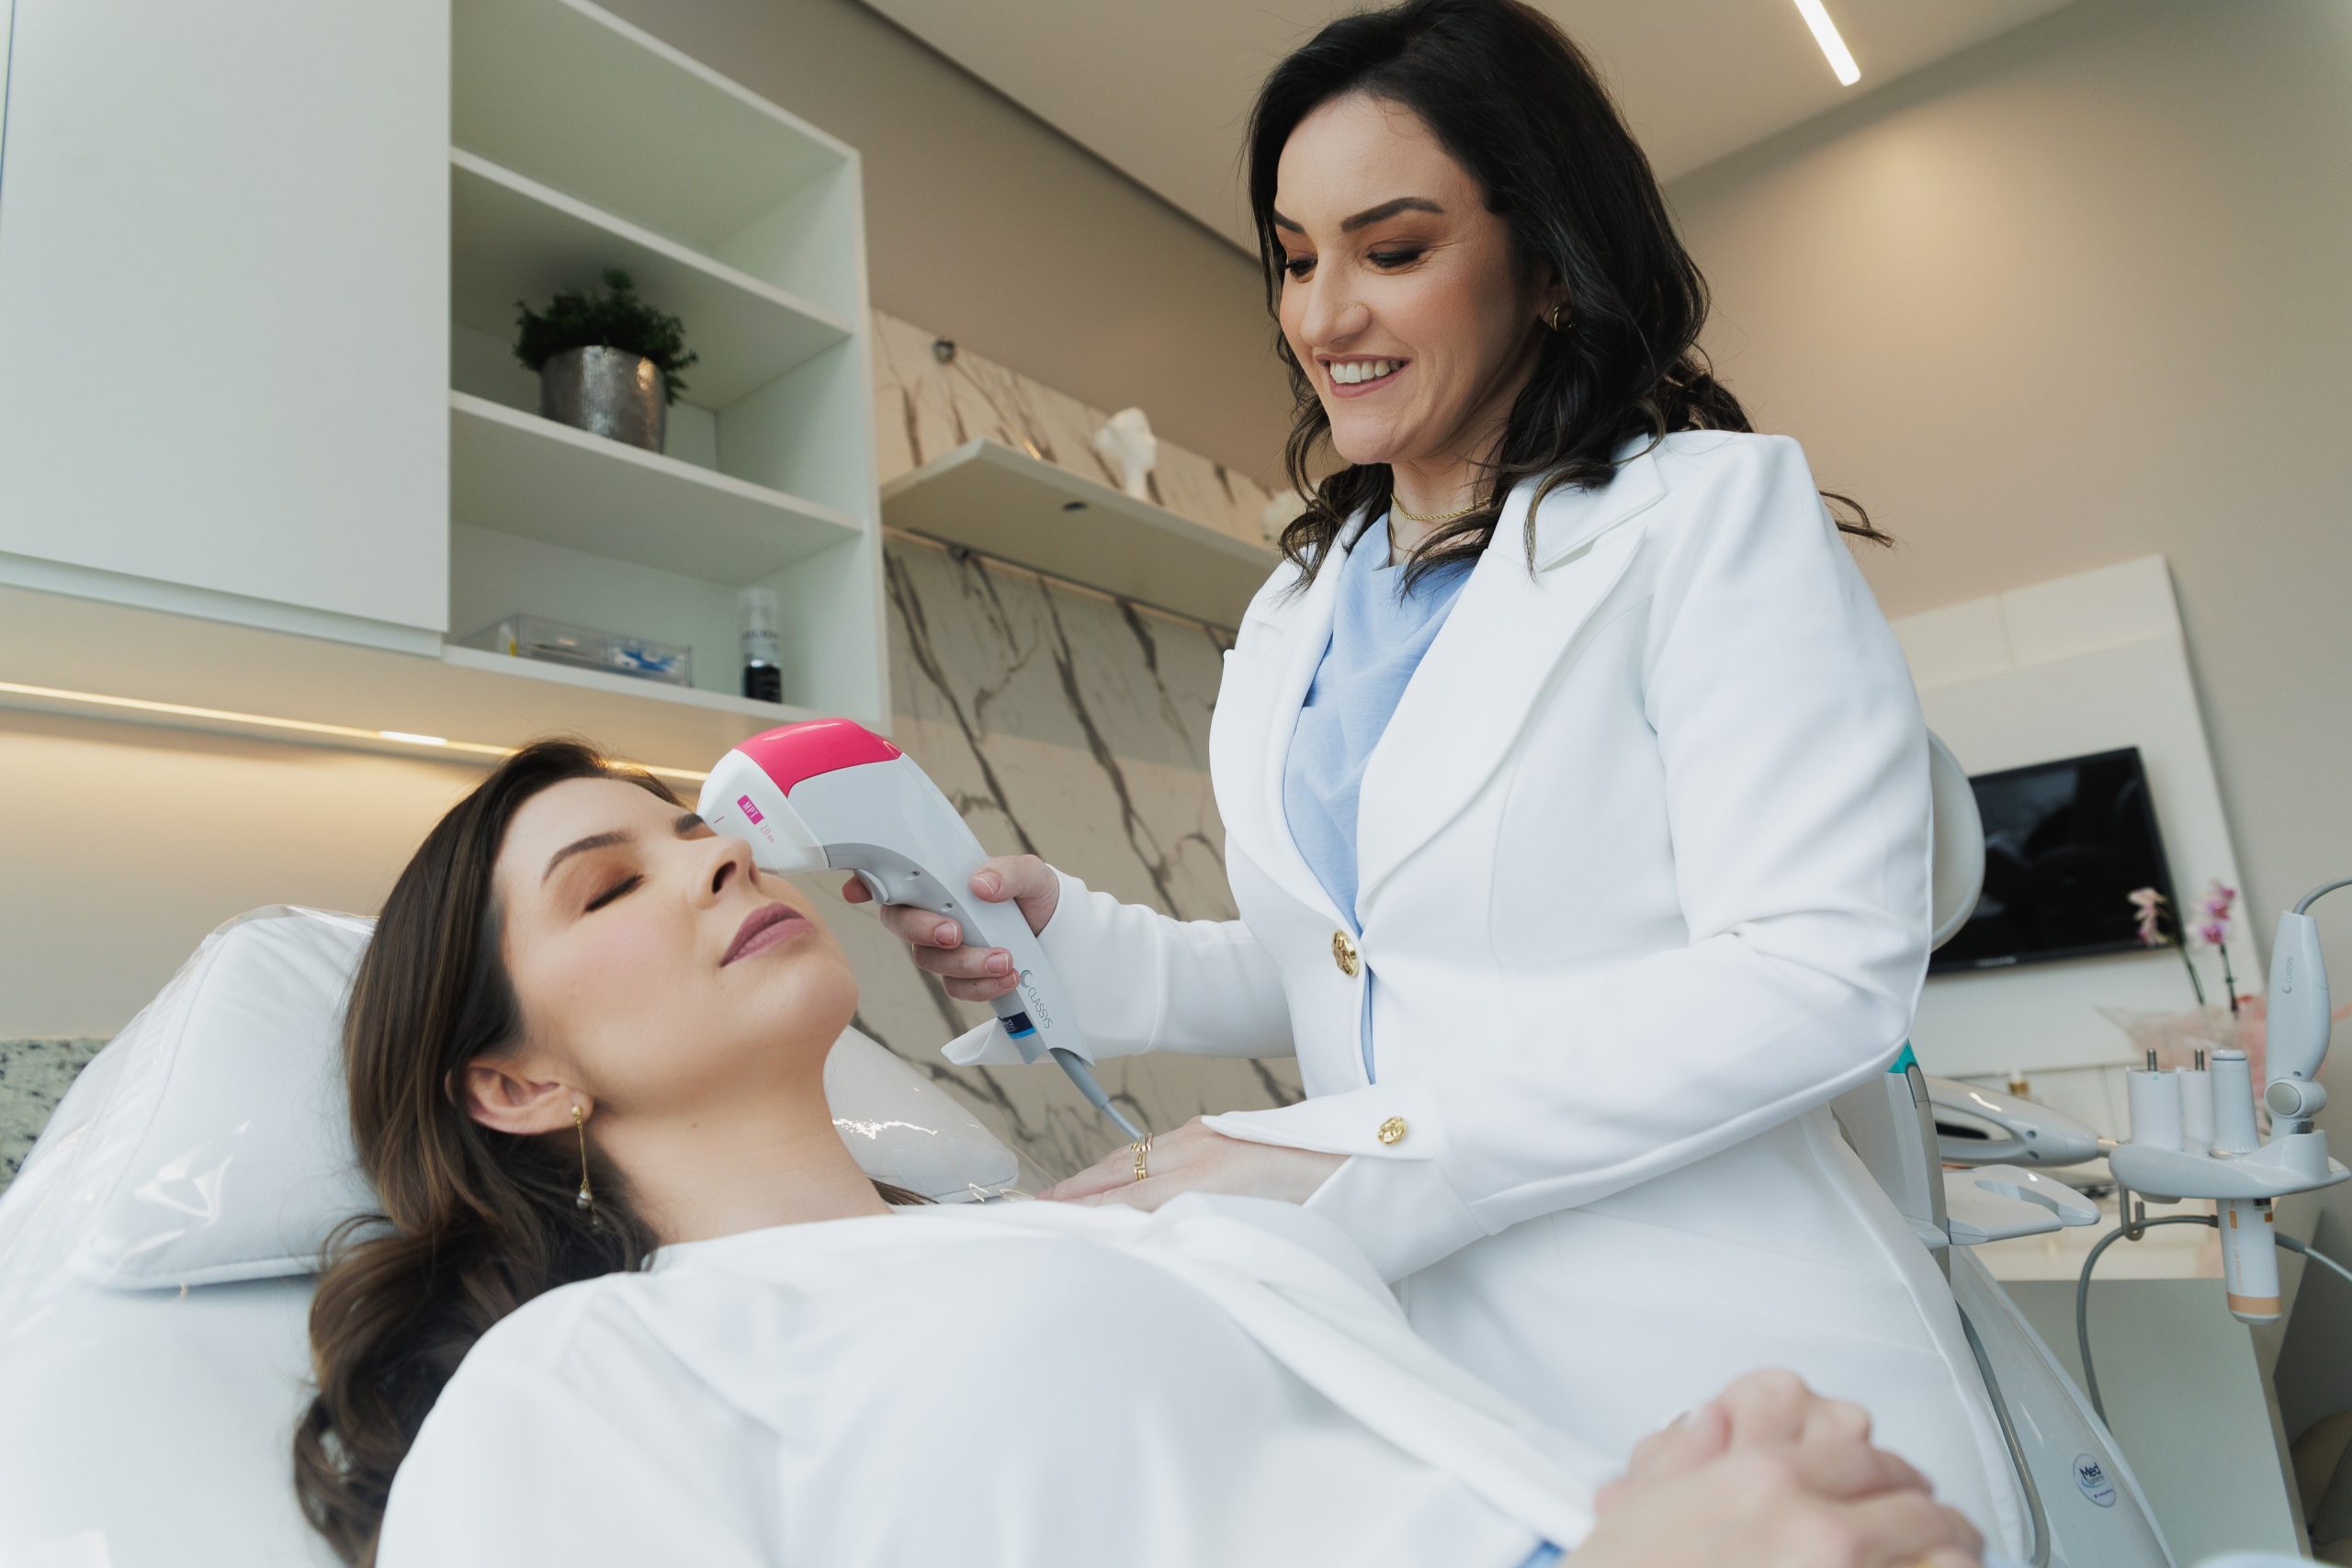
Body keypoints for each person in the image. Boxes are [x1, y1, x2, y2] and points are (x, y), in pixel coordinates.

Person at [859, 0, 2028, 1554]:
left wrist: (1320, 1152)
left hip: (1721, 1353)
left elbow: (1818, 972)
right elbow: (1353, 968)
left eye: (1391, 249)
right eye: (1293, 256)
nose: (1323, 312)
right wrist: (1070, 942)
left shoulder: (1701, 517)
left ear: (1543, 261)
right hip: (1431, 1377)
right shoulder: (1297, 605)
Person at [289, 740, 1985, 1568]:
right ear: (510, 1085)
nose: (715, 866)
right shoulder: (594, 1371)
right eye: (611, 887)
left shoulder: (1114, 1228)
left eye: (695, 833)